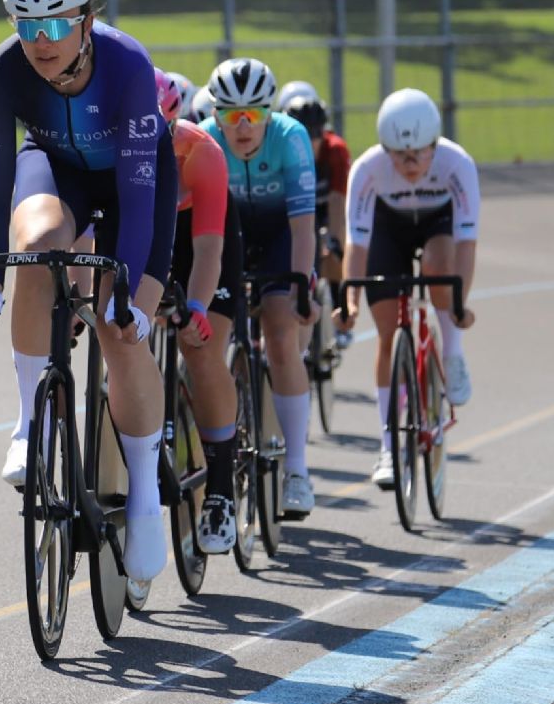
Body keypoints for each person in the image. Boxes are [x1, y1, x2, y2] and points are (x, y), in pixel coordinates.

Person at [0, 0, 178, 584]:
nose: (41, 40)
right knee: (38, 242)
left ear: (86, 18)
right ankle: (29, 424)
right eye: (27, 25)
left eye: (55, 24)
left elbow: (137, 198)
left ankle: (141, 496)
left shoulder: (129, 65)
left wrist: (131, 296)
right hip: (56, 167)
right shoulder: (1, 72)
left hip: (136, 183)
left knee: (119, 326)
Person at [337, 87, 479, 489]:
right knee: (386, 336)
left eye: (419, 151)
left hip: (438, 224)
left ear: (435, 145)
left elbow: (467, 243)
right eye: (400, 154)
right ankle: (387, 447)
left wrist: (458, 305)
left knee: (439, 267)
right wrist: (349, 302)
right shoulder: (366, 170)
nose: (410, 162)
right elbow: (357, 244)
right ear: (385, 148)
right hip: (388, 229)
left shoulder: (458, 165)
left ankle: (451, 353)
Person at [201, 57, 320, 517]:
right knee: (209, 333)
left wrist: (303, 288)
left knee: (281, 331)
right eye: (232, 116)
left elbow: (304, 226)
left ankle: (297, 471)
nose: (244, 126)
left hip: (278, 237)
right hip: (226, 237)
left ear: (271, 113)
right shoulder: (207, 141)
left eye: (255, 115)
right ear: (216, 117)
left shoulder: (291, 139)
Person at [155, 69, 244, 553]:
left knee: (202, 350)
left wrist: (195, 307)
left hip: (201, 240)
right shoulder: (110, 152)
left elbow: (209, 250)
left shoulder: (202, 152)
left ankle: (222, 492)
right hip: (152, 235)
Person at [282, 94, 351, 339]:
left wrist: (334, 241)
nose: (309, 144)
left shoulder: (336, 151)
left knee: (335, 248)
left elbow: (337, 201)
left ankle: (340, 308)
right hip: (295, 209)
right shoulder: (281, 148)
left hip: (325, 208)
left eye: (314, 137)